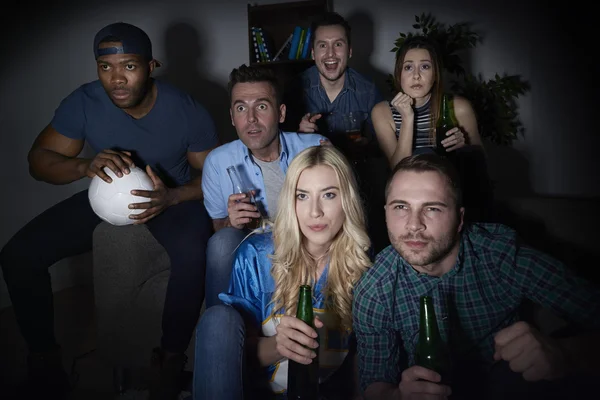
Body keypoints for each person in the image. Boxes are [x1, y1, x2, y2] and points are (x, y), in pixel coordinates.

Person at [0, 22, 218, 400]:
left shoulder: (186, 110)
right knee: (18, 255)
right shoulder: (84, 102)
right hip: (107, 201)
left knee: (192, 251)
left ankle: (169, 361)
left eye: (129, 66)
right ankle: (45, 363)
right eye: (106, 67)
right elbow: (39, 161)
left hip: (167, 200)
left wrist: (173, 196)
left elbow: (215, 175)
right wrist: (84, 166)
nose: (116, 79)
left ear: (152, 66)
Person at [352, 153, 600, 400]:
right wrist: (399, 395)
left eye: (433, 208)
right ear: (385, 213)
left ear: (459, 219)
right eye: (401, 207)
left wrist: (565, 354)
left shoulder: (499, 254)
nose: (414, 225)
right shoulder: (374, 289)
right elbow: (375, 383)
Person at [193, 145, 372, 400]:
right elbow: (231, 359)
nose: (315, 211)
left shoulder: (362, 264)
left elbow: (363, 363)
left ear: (348, 200)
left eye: (329, 195)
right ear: (290, 201)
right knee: (217, 319)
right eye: (302, 196)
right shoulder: (257, 255)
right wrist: (279, 345)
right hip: (255, 393)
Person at [201, 64, 328, 309]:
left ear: (280, 113)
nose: (251, 119)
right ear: (232, 117)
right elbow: (218, 228)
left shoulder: (315, 148)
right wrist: (232, 222)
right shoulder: (217, 162)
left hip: (306, 244)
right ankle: (220, 316)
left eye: (261, 106)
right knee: (221, 242)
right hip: (251, 250)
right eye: (241, 108)